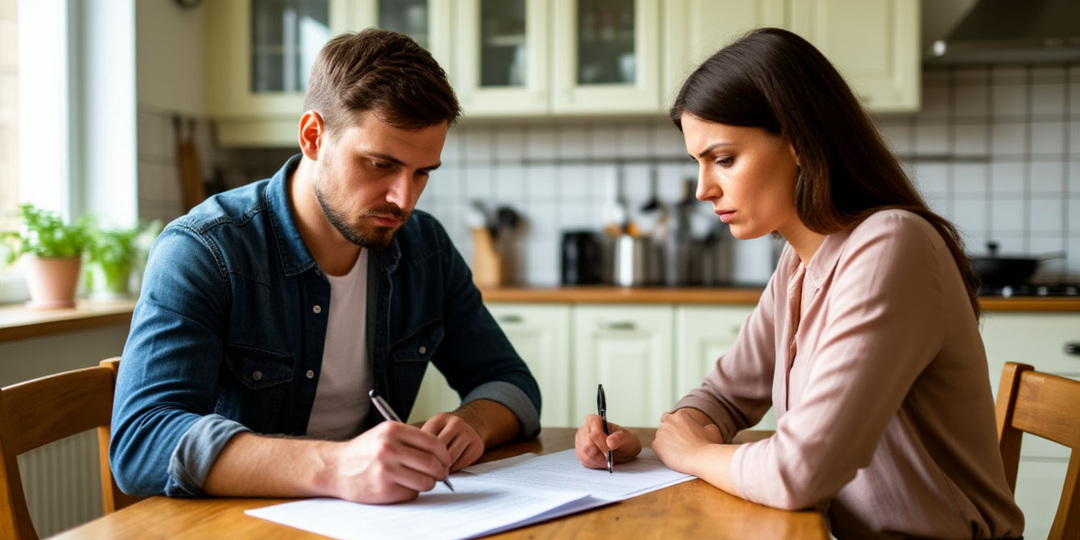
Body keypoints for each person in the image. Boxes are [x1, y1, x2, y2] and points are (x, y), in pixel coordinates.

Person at [575, 28, 1024, 539]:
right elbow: (726, 394)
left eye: (724, 159)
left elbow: (798, 473)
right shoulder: (799, 262)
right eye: (698, 163)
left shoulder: (891, 246)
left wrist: (693, 452)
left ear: (798, 142)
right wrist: (666, 437)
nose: (703, 189)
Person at [111, 29, 541, 505]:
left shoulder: (426, 249)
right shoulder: (204, 251)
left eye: (422, 173)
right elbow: (142, 441)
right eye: (380, 164)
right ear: (313, 136)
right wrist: (337, 467)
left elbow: (512, 382)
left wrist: (473, 424)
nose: (404, 199)